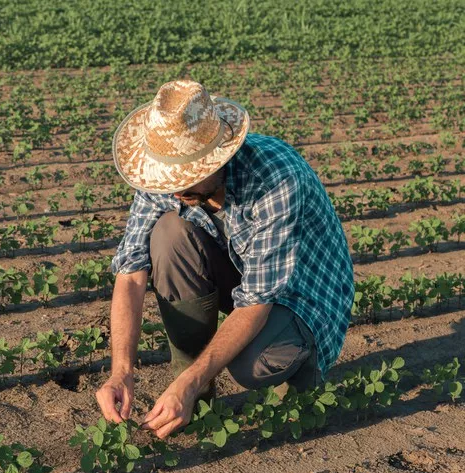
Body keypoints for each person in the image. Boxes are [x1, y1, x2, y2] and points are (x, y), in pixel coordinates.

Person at [95, 80, 354, 439]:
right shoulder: (164, 177)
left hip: (303, 294)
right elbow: (131, 273)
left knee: (253, 364)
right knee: (170, 235)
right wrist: (120, 371)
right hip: (244, 280)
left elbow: (256, 302)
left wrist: (191, 379)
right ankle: (194, 394)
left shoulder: (275, 179)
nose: (174, 189)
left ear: (220, 155)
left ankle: (300, 372)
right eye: (170, 178)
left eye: (188, 177)